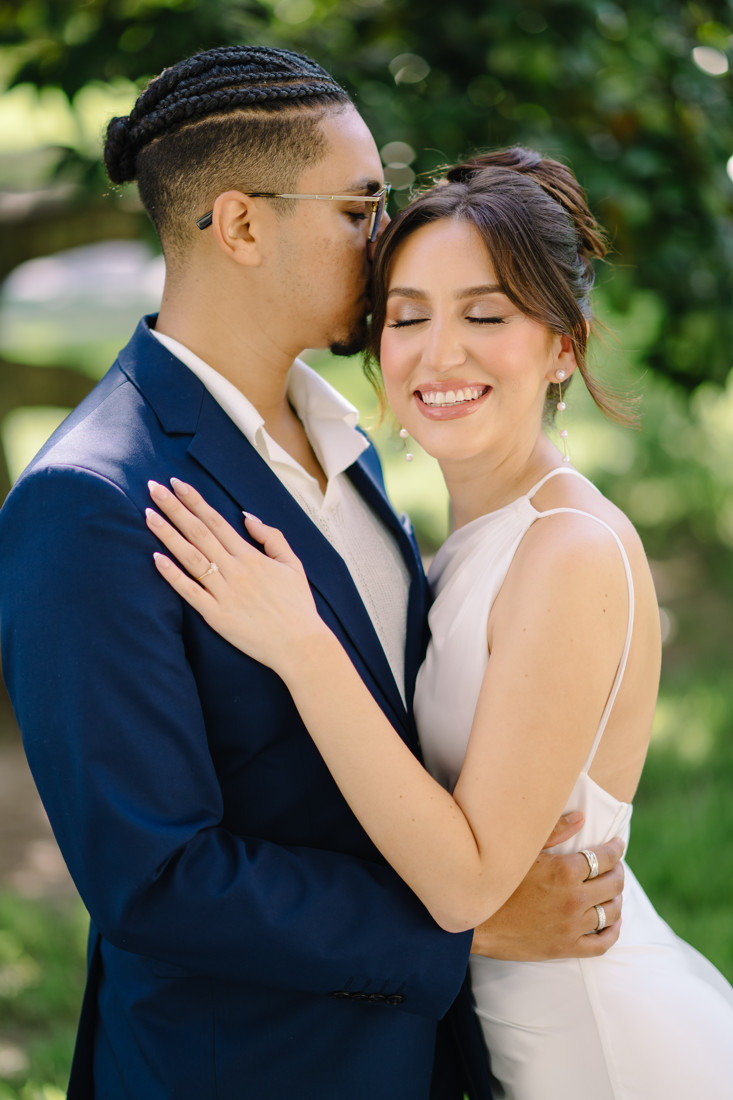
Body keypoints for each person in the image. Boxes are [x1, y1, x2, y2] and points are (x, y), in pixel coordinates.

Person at [0, 44, 624, 1099]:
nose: (387, 247)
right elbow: (156, 877)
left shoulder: (346, 438)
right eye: (358, 210)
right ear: (242, 223)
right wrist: (464, 929)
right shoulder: (92, 500)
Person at [145, 147, 733, 1099]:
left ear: (563, 344)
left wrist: (302, 645)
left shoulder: (565, 550)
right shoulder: (465, 539)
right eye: (407, 316)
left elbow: (464, 886)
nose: (438, 352)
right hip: (496, 1040)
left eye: (485, 315)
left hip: (593, 1051)